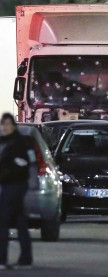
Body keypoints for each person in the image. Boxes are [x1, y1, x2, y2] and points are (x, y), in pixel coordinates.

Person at [0, 113, 36, 269]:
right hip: (13, 186)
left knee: (3, 223)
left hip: (14, 186)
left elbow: (29, 163)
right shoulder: (5, 142)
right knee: (21, 222)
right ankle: (26, 258)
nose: (4, 127)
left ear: (13, 125)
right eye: (3, 124)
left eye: (7, 124)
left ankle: (1, 260)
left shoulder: (21, 143)